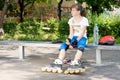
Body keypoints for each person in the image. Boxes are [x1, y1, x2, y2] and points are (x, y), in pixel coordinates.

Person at [43, 4, 89, 73]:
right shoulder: (71, 20)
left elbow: (82, 32)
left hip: (82, 37)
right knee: (64, 45)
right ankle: (59, 61)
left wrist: (76, 41)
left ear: (78, 11)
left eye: (73, 10)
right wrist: (69, 40)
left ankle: (75, 61)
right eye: (71, 10)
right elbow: (71, 33)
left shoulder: (84, 20)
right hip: (74, 37)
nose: (71, 12)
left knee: (81, 47)